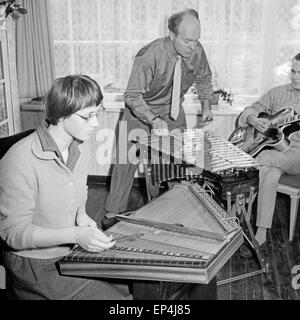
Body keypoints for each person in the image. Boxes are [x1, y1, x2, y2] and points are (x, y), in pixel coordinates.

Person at [0, 75, 132, 300]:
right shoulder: (19, 159)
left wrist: (81, 217)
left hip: (69, 251)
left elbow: (77, 197)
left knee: (130, 284)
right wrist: (76, 234)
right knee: (120, 300)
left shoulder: (78, 149)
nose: (96, 123)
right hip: (35, 265)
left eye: (97, 113)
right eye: (88, 116)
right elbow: (13, 234)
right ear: (61, 115)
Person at [103, 9, 214, 229]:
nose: (193, 46)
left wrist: (207, 106)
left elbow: (204, 79)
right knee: (126, 162)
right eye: (188, 41)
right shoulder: (150, 54)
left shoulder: (197, 50)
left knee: (173, 165)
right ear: (172, 35)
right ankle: (111, 213)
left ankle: (166, 209)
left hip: (172, 111)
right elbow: (132, 95)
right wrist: (153, 119)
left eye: (196, 40)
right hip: (141, 110)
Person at [237, 52, 300, 249]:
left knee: (262, 156)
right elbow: (248, 111)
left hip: (297, 156)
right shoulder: (278, 92)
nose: (294, 76)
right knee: (270, 173)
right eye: (293, 71)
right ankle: (261, 231)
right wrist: (253, 119)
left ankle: (239, 210)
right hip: (275, 153)